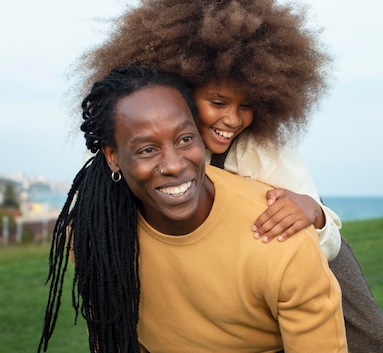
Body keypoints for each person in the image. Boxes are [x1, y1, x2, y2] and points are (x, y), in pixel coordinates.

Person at [73, 0, 383, 352]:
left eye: (246, 105)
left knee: (373, 338)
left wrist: (313, 213)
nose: (232, 119)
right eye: (217, 102)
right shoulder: (136, 145)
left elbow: (321, 236)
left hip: (302, 227)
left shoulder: (264, 152)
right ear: (179, 88)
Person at [39, 65, 347, 353]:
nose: (173, 164)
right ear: (112, 156)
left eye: (185, 139)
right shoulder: (97, 233)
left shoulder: (277, 221)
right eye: (148, 149)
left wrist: (314, 214)